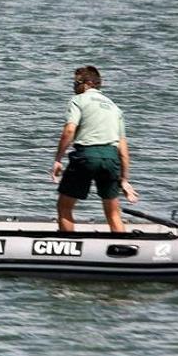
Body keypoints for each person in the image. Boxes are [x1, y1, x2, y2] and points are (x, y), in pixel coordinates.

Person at [51, 65, 139, 232]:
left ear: (87, 83)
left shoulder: (78, 100)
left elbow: (69, 130)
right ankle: (122, 249)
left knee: (64, 207)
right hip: (111, 158)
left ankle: (69, 247)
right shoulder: (115, 108)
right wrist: (125, 180)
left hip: (86, 156)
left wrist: (57, 159)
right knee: (113, 213)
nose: (74, 87)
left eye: (75, 83)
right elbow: (124, 151)